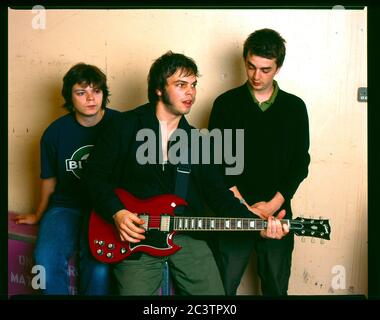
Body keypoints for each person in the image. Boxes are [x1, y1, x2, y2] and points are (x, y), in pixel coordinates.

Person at [82, 51, 288, 296]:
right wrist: (117, 213)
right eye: (181, 85)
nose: (191, 92)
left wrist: (257, 226)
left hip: (184, 237)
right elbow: (93, 176)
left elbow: (219, 196)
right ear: (159, 88)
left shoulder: (198, 143)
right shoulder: (124, 126)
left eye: (193, 85)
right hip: (133, 238)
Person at [208, 28, 310, 296]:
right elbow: (216, 163)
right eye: (251, 67)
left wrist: (274, 204)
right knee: (221, 289)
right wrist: (243, 207)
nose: (256, 76)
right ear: (244, 60)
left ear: (278, 68)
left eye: (265, 69)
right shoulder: (225, 104)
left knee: (276, 287)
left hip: (277, 214)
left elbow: (300, 163)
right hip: (233, 211)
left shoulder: (295, 108)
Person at [14, 63, 120, 295]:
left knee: (99, 268)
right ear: (69, 97)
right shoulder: (55, 133)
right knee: (44, 260)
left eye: (97, 91)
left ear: (104, 94)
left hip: (104, 208)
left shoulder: (121, 125)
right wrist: (38, 214)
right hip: (66, 206)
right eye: (81, 92)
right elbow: (49, 180)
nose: (90, 98)